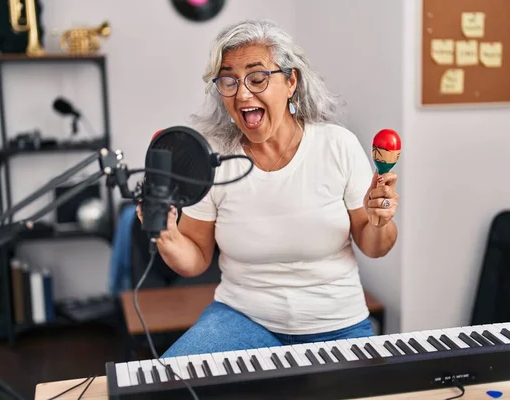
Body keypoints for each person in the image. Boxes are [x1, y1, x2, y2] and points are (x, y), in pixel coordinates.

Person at [136, 19, 399, 358]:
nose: (243, 93)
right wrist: (167, 234)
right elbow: (196, 260)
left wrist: (380, 221)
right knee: (169, 384)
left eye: (257, 78)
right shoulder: (212, 158)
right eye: (229, 81)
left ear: (291, 81)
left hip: (337, 323)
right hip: (241, 320)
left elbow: (375, 246)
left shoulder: (338, 145)